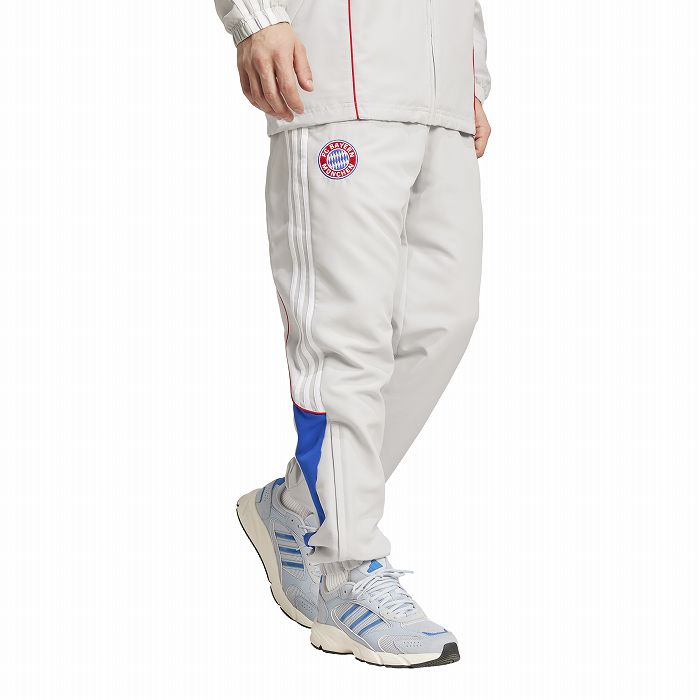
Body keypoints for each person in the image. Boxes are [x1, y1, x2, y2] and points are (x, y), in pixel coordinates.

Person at [215, 0, 491, 668]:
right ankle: (343, 567)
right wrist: (255, 17)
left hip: (440, 99)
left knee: (443, 321)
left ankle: (298, 506)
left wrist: (471, 75)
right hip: (335, 77)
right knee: (345, 341)